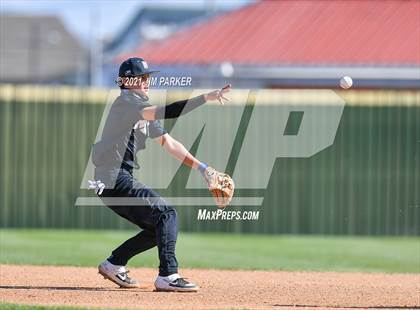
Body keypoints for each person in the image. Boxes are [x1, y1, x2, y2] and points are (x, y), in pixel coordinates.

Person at [90, 57, 231, 292]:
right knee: (167, 214)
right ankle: (168, 275)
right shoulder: (127, 104)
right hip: (112, 177)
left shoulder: (138, 109)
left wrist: (203, 169)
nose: (147, 82)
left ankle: (114, 264)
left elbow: (169, 143)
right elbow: (168, 111)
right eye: (142, 78)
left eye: (147, 77)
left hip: (113, 178)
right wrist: (204, 98)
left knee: (159, 225)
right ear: (128, 81)